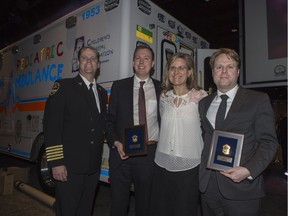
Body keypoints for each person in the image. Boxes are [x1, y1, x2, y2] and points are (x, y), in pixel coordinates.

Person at [198, 48, 278, 216]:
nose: (224, 71)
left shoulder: (258, 99)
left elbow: (269, 142)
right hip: (208, 186)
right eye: (219, 67)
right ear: (213, 72)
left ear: (238, 71)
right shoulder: (204, 103)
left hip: (242, 188)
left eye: (230, 66)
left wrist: (248, 170)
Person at [43, 46, 107, 216]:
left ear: (98, 64)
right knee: (67, 211)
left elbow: (100, 126)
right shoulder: (63, 87)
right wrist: (56, 162)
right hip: (68, 167)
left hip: (92, 168)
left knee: (85, 211)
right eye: (84, 58)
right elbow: (51, 126)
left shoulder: (101, 92)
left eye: (93, 58)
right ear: (78, 62)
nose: (89, 62)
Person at [149, 52, 207, 216]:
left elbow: (208, 130)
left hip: (190, 165)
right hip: (161, 163)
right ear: (167, 72)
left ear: (189, 72)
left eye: (181, 68)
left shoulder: (200, 96)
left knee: (184, 209)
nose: (176, 72)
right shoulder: (164, 97)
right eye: (172, 68)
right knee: (162, 209)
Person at [106, 44, 161, 216]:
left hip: (150, 154)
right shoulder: (119, 86)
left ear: (153, 64)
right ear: (132, 62)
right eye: (138, 58)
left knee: (146, 205)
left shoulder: (163, 89)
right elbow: (109, 121)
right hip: (122, 154)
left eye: (146, 58)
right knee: (118, 204)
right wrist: (116, 142)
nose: (142, 62)